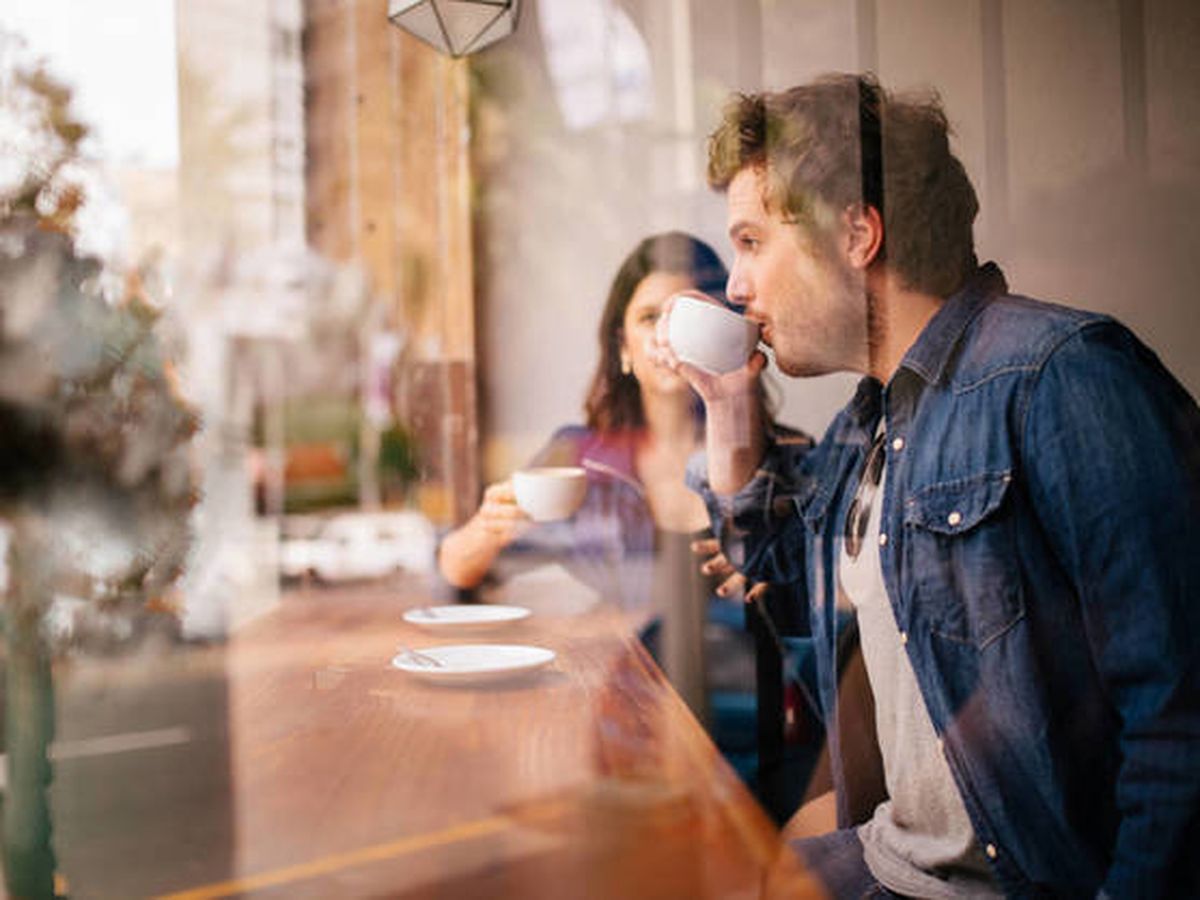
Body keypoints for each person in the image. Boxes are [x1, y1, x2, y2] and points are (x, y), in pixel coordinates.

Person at [651, 74, 1200, 897]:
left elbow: (1179, 724)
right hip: (892, 858)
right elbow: (782, 574)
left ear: (858, 233)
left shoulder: (1060, 376)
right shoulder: (874, 414)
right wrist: (730, 413)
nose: (735, 285)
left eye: (753, 241)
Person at [438, 231, 814, 801]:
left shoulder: (787, 460)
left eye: (684, 315)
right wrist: (486, 529)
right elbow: (455, 572)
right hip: (608, 738)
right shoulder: (580, 459)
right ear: (622, 348)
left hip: (754, 748)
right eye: (647, 318)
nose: (665, 334)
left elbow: (830, 628)